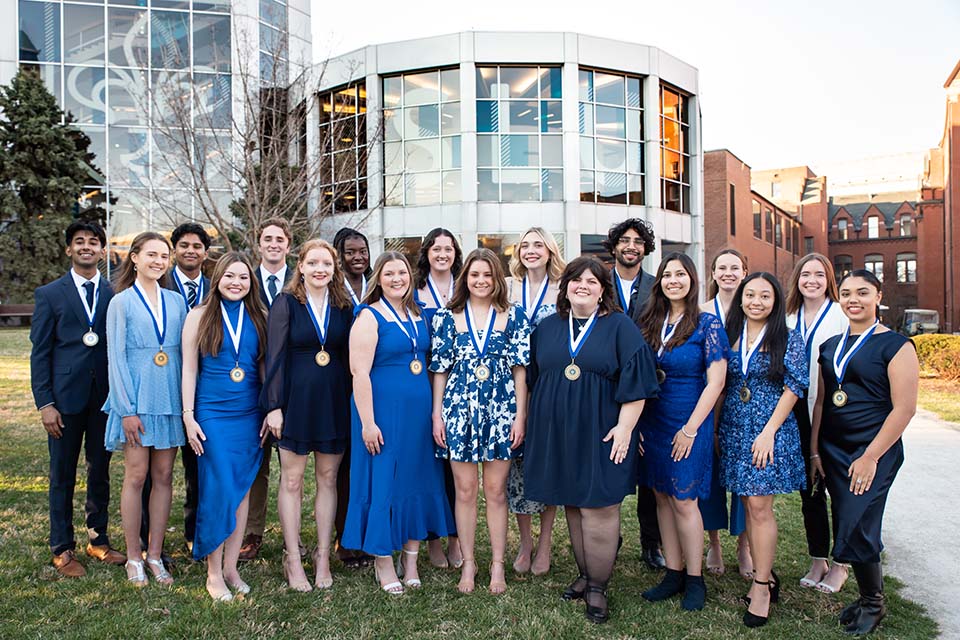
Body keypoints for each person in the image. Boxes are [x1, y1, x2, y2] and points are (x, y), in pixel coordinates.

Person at [524, 257, 659, 623]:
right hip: (558, 433)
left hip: (603, 431)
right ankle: (585, 575)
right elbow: (535, 379)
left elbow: (639, 381)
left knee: (598, 505)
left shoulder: (620, 327)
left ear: (603, 291)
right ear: (565, 287)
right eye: (576, 280)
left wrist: (626, 428)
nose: (583, 285)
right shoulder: (548, 328)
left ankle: (598, 585)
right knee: (573, 502)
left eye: (592, 281)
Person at [810, 270, 918, 635]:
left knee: (860, 522)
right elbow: (823, 402)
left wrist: (870, 456)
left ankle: (874, 602)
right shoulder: (829, 347)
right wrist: (815, 451)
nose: (853, 299)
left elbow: (904, 408)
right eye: (846, 293)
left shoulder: (897, 345)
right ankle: (866, 596)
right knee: (847, 521)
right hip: (834, 450)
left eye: (862, 292)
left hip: (874, 450)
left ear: (878, 296)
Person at [343, 252, 456, 594]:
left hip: (418, 417)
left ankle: (411, 559)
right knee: (384, 484)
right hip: (383, 416)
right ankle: (383, 563)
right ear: (378, 278)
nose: (397, 278)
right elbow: (358, 372)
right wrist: (368, 423)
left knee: (415, 481)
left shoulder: (418, 314)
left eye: (402, 272)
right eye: (389, 273)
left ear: (410, 276)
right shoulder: (369, 317)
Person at [430, 248, 531, 594]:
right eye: (475, 275)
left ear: (497, 278)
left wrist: (520, 415)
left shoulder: (513, 316)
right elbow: (440, 371)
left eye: (488, 275)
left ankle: (498, 565)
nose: (481, 281)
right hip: (459, 410)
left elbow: (520, 371)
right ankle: (469, 564)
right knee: (465, 490)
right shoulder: (447, 317)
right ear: (465, 279)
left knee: (496, 491)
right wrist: (437, 413)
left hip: (501, 410)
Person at [30, 221, 124, 577]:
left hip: (103, 400)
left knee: (99, 471)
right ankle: (62, 547)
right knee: (62, 474)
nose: (87, 246)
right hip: (64, 401)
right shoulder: (50, 294)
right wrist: (45, 403)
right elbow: (40, 353)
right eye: (79, 242)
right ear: (69, 249)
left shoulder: (114, 294)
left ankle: (98, 539)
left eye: (94, 242)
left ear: (102, 250)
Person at [636, 252, 728, 611]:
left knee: (685, 499)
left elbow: (716, 381)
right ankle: (672, 573)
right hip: (653, 419)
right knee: (660, 495)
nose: (674, 280)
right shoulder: (650, 321)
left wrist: (690, 429)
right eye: (667, 274)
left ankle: (694, 579)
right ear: (659, 281)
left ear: (692, 279)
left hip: (689, 419)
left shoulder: (708, 325)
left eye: (681, 274)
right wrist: (638, 423)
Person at [261, 240, 353, 592]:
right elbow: (275, 357)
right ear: (300, 266)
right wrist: (274, 406)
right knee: (293, 481)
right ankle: (293, 557)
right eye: (312, 262)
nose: (320, 269)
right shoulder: (286, 303)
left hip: (333, 402)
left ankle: (323, 557)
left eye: (326, 263)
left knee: (328, 480)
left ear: (334, 268)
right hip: (295, 402)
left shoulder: (343, 305)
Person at [718, 272, 807, 627]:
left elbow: (794, 386)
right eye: (750, 294)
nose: (756, 301)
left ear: (776, 300)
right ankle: (764, 573)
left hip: (769, 430)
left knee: (759, 505)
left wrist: (769, 431)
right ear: (740, 298)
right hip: (735, 428)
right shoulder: (729, 335)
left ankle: (761, 586)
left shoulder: (788, 337)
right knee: (746, 501)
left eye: (765, 296)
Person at [102, 232, 188, 586]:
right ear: (134, 258)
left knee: (164, 477)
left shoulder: (176, 301)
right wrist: (126, 408)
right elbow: (116, 358)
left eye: (164, 255)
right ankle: (133, 557)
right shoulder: (120, 302)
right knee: (136, 476)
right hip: (136, 399)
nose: (158, 260)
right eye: (151, 254)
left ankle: (155, 554)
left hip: (167, 397)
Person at [181, 252, 267, 601]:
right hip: (212, 414)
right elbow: (188, 369)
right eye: (230, 276)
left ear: (251, 282)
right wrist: (188, 416)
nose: (236, 283)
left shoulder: (260, 316)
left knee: (243, 489)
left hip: (249, 413)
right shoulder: (198, 316)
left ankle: (232, 566)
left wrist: (269, 410)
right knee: (218, 489)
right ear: (217, 279)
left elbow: (264, 369)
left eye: (243, 277)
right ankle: (213, 572)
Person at [141, 222, 211, 558]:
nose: (190, 251)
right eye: (183, 245)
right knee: (156, 471)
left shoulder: (218, 286)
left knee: (198, 470)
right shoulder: (156, 283)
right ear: (173, 252)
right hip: (163, 390)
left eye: (197, 246)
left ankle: (194, 534)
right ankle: (146, 539)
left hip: (206, 392)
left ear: (205, 253)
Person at [785, 253, 850, 593]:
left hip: (833, 413)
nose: (811, 280)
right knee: (809, 489)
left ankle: (840, 563)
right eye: (805, 274)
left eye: (819, 274)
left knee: (837, 487)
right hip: (797, 411)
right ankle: (817, 558)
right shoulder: (787, 317)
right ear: (797, 279)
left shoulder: (841, 315)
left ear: (829, 280)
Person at [603, 218, 663, 570]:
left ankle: (651, 541)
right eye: (624, 240)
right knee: (608, 464)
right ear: (614, 246)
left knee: (649, 472)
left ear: (645, 248)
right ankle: (609, 538)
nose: (631, 246)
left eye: (638, 241)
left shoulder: (657, 287)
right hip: (605, 388)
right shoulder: (598, 283)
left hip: (648, 389)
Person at [504, 227, 565, 576]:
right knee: (518, 467)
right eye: (525, 245)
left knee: (547, 463)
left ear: (550, 251)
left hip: (549, 385)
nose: (530, 250)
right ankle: (525, 542)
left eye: (538, 244)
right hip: (512, 385)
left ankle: (545, 544)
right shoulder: (509, 288)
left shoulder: (562, 290)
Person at [697, 249, 752, 578]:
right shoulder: (702, 312)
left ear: (744, 271)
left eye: (735, 267)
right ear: (713, 273)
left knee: (745, 482)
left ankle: (744, 547)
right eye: (722, 267)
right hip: (707, 404)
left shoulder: (755, 310)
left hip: (743, 406)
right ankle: (714, 543)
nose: (728, 273)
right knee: (712, 477)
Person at [240, 218, 292, 561]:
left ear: (289, 244)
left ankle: (293, 537)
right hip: (249, 384)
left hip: (294, 384)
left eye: (279, 239)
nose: (273, 244)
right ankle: (252, 532)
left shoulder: (299, 279)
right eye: (267, 239)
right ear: (259, 245)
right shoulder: (245, 279)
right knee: (256, 464)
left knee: (293, 465)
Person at [413, 228, 463, 570]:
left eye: (448, 249)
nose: (442, 254)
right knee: (429, 465)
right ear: (426, 253)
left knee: (457, 467)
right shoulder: (414, 290)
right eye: (436, 248)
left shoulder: (466, 285)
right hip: (423, 383)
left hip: (461, 385)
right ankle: (432, 539)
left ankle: (457, 539)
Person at [330, 226, 374, 568]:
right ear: (338, 255)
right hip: (338, 384)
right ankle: (345, 538)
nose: (358, 257)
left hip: (375, 385)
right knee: (344, 467)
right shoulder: (333, 292)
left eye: (362, 251)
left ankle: (370, 533)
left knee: (371, 463)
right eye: (350, 252)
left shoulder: (375, 288)